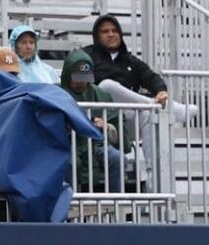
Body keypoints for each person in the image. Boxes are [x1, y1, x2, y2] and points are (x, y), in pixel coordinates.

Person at [60, 51, 124, 194]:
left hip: (97, 144)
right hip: (67, 144)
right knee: (68, 162)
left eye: (85, 78)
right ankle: (69, 205)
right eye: (77, 78)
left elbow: (118, 130)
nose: (82, 82)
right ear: (67, 75)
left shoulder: (101, 95)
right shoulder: (57, 93)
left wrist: (106, 126)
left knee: (117, 158)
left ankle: (117, 203)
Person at [87, 15, 168, 107]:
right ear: (97, 36)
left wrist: (161, 90)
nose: (111, 34)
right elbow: (78, 86)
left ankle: (187, 111)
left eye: (115, 31)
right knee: (107, 85)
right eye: (105, 32)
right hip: (101, 112)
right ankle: (152, 104)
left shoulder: (130, 61)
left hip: (129, 113)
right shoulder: (86, 57)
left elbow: (151, 77)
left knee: (167, 105)